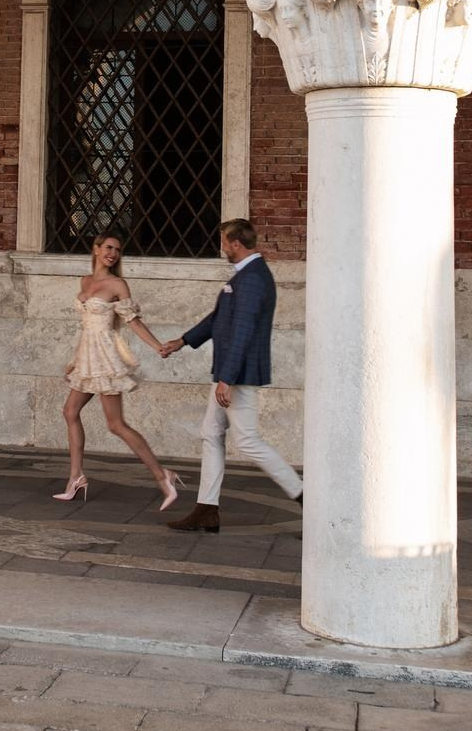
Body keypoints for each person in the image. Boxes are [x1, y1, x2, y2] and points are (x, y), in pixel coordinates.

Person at [161, 217, 302, 532]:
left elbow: (243, 330)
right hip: (231, 372)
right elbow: (219, 318)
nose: (223, 247)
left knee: (248, 441)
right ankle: (207, 509)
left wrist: (227, 378)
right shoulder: (245, 276)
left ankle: (306, 496)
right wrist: (183, 341)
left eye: (225, 241)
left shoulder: (252, 278)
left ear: (236, 243)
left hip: (238, 374)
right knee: (210, 433)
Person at [54, 230, 183, 512]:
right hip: (87, 356)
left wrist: (157, 346)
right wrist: (76, 360)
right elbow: (88, 325)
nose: (113, 253)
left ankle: (164, 476)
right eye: (109, 247)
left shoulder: (118, 284)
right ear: (97, 249)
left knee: (116, 424)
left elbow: (132, 322)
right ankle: (76, 477)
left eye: (118, 250)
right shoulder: (85, 280)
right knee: (70, 412)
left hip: (105, 358)